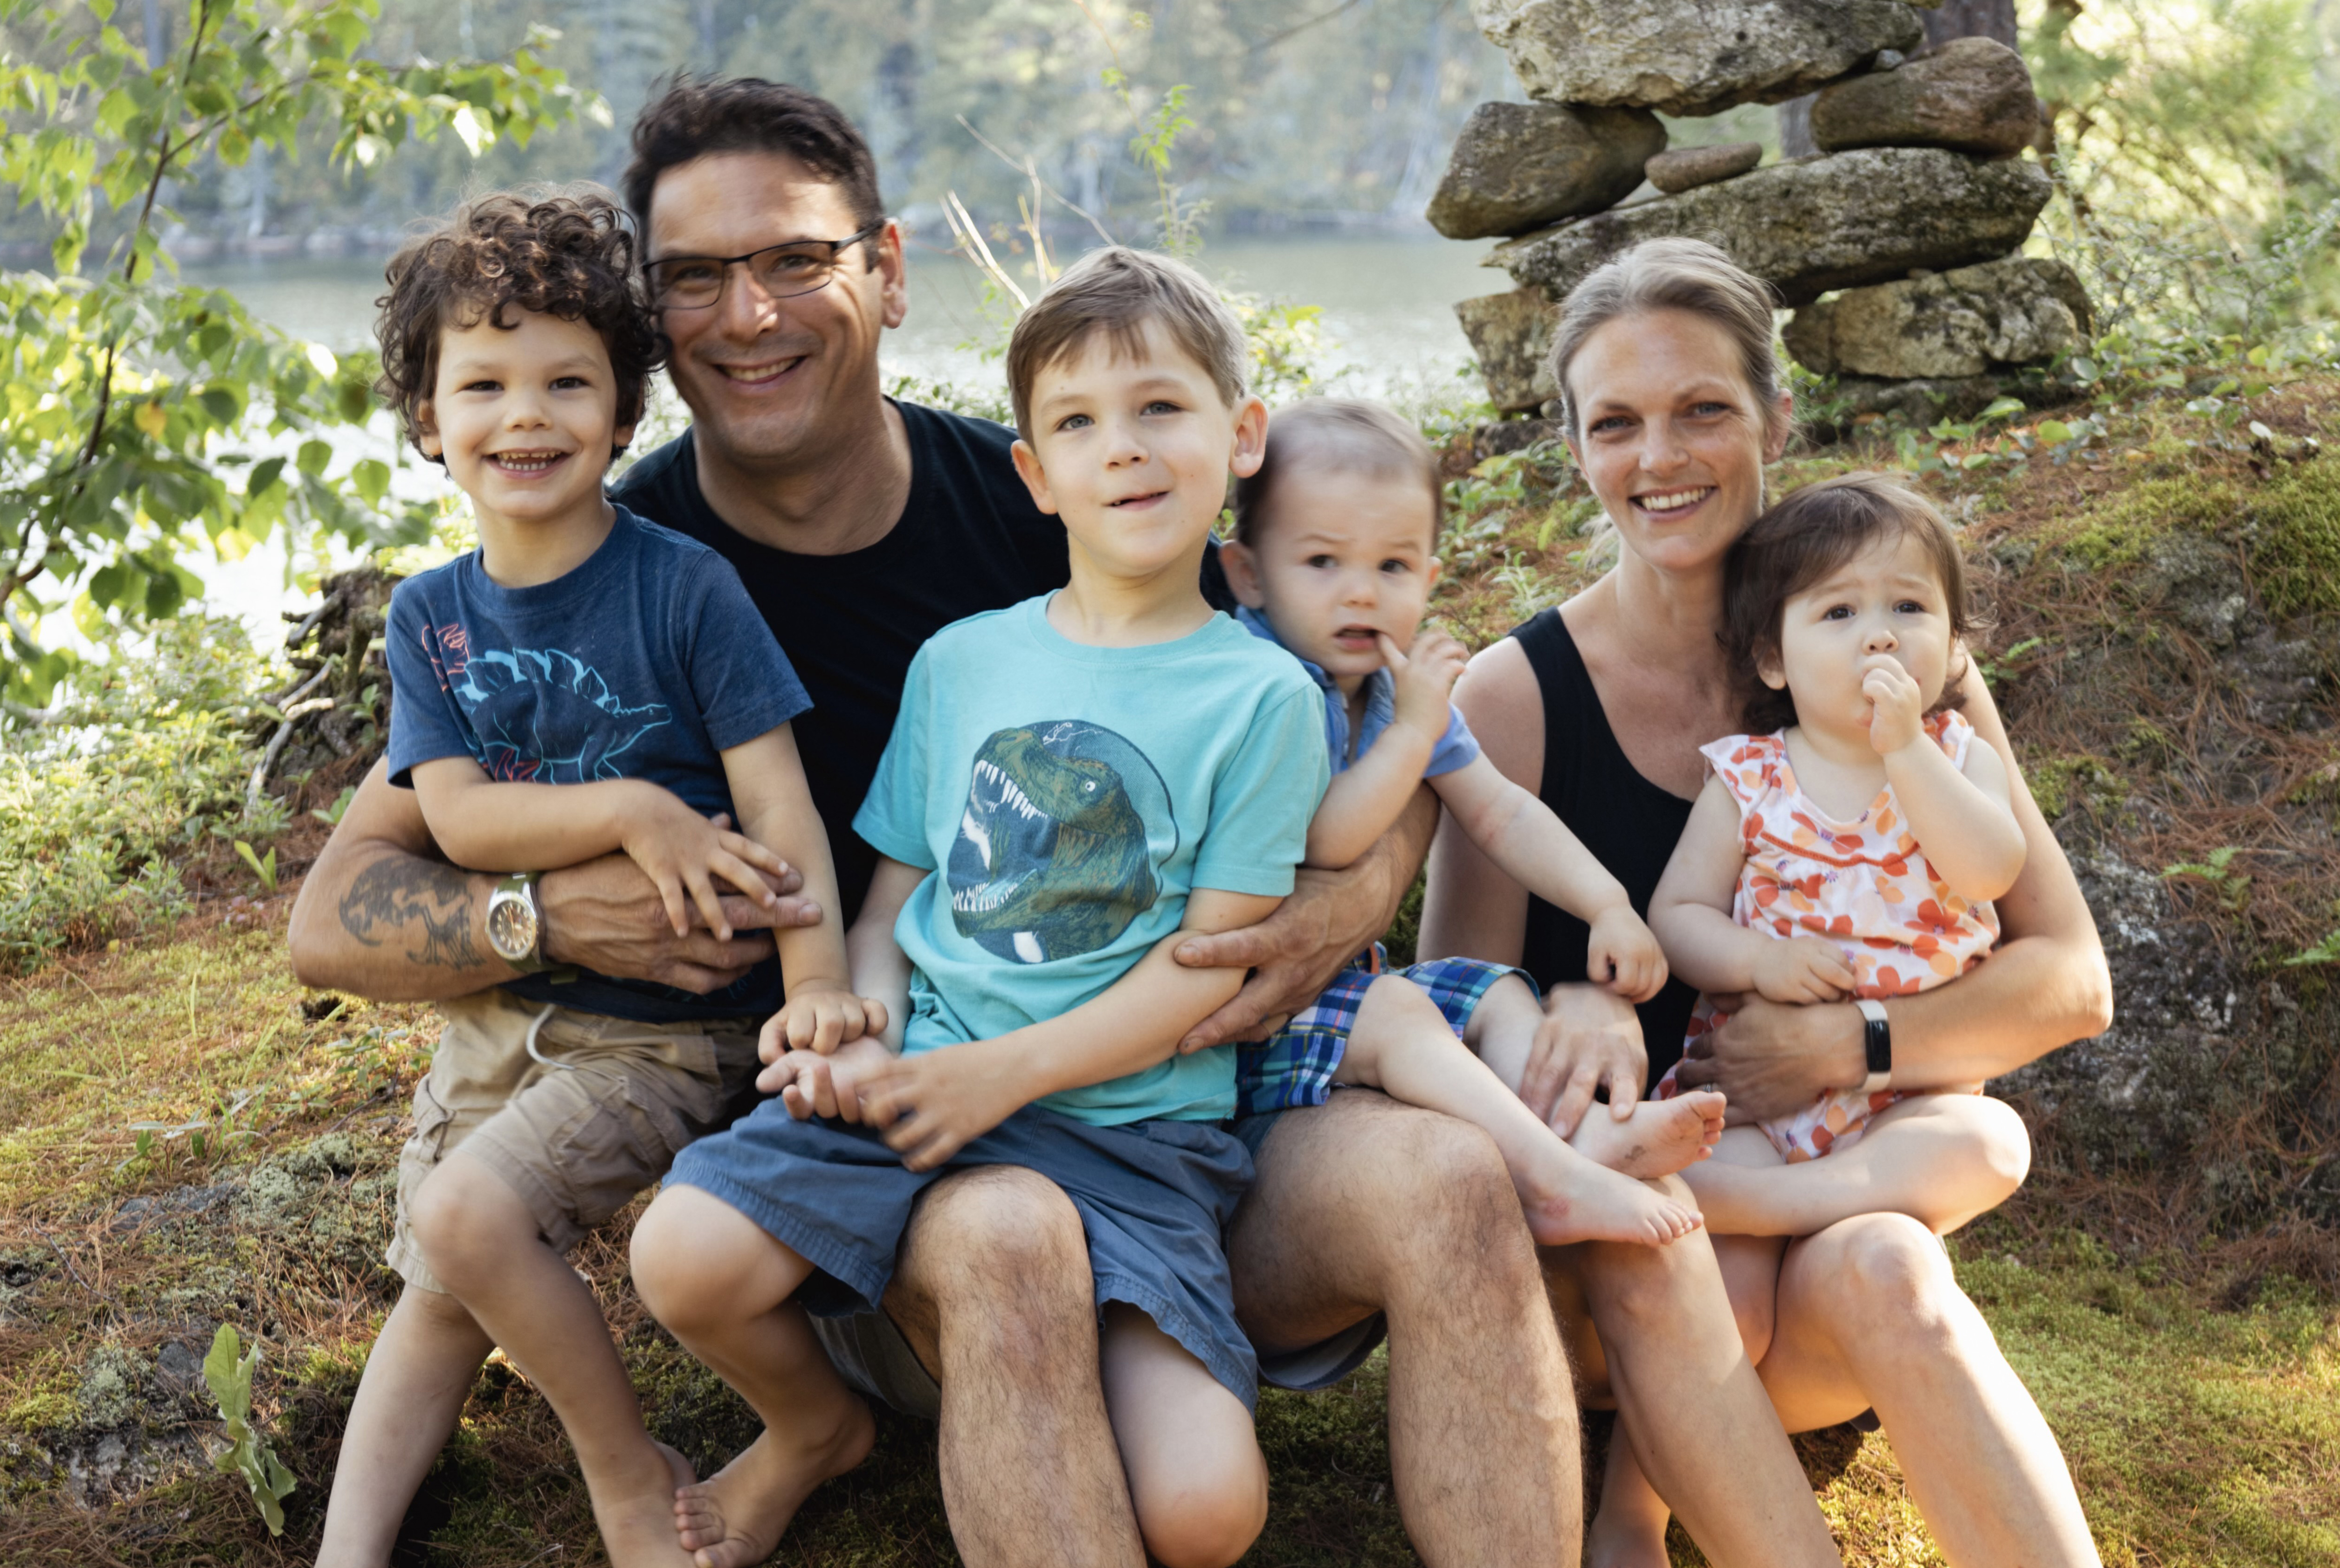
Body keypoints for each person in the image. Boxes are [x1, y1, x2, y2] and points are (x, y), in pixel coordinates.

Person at [292, 75, 1583, 1567]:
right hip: (894, 1160)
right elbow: (332, 918)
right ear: (652, 321)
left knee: (1450, 1184)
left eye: (795, 259)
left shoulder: (1057, 488)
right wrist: (542, 914)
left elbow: (1369, 710)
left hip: (1176, 1123)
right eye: (695, 278)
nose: (749, 313)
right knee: (1008, 1228)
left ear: (886, 270)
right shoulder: (613, 564)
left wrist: (1333, 914)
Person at [628, 245, 1325, 1568]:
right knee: (684, 1257)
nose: (1121, 452)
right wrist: (860, 1020)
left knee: (1206, 1515)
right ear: (1032, 473)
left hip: (1131, 1141)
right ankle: (820, 1416)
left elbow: (1207, 969)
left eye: (1160, 409)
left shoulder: (1260, 698)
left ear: (1239, 436)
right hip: (919, 1091)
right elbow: (895, 892)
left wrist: (993, 1080)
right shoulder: (962, 660)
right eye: (1076, 424)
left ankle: (1064, 1351)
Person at [1420, 236, 2111, 1568]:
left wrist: (1853, 1044)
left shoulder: (1899, 675)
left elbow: (2066, 981)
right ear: (1573, 446)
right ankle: (1638, 1491)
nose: (1657, 457)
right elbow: (1445, 1009)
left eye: (1702, 410)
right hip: (1617, 1267)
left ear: (1775, 418)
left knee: (1892, 1269)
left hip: (1818, 1238)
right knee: (1719, 1251)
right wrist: (1566, 994)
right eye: (1613, 423)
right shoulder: (1510, 701)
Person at [327, 186, 876, 1568]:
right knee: (443, 1282)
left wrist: (812, 989)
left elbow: (778, 804)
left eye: (568, 381)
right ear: (426, 419)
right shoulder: (429, 616)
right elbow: (452, 818)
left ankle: (637, 1475)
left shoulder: (683, 588)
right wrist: (632, 805)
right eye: (487, 384)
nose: (528, 415)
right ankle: (345, 1549)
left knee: (463, 1218)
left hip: (663, 1027)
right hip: (499, 1015)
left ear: (625, 415)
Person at [1218, 398, 1726, 1246]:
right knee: (1400, 1016)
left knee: (1493, 991)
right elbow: (1327, 844)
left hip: (1337, 996)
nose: (1360, 592)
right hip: (1233, 1019)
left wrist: (1607, 903)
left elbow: (1498, 810)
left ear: (1428, 575)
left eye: (1392, 566)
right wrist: (1416, 728)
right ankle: (1551, 1181)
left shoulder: (1390, 695)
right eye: (1321, 562)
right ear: (1250, 575)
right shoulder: (1248, 684)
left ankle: (1575, 1131)